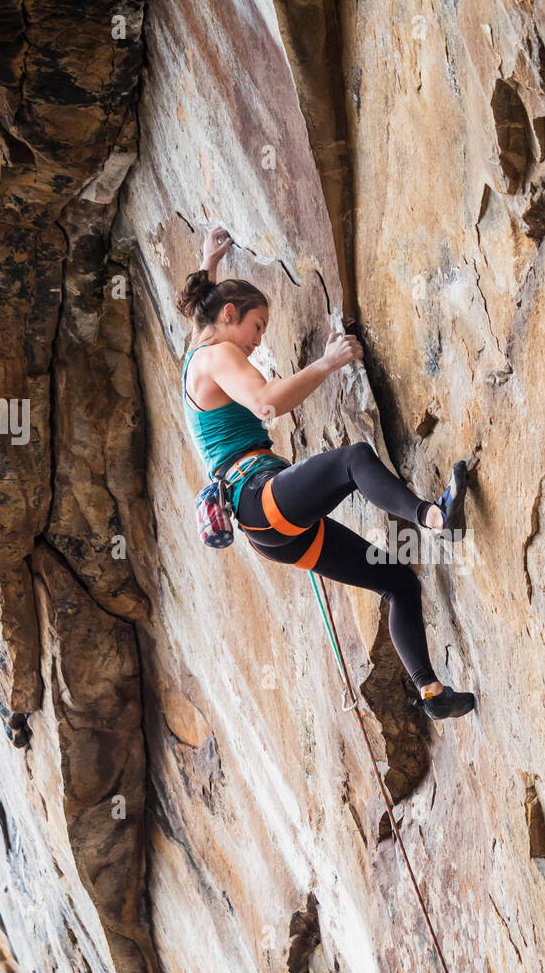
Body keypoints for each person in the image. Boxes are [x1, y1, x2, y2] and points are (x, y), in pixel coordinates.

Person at [176, 226, 476, 721]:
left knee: (397, 582)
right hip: (259, 496)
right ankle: (434, 516)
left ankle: (431, 693)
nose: (257, 341)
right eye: (257, 326)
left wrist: (209, 261)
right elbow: (268, 403)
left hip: (270, 531)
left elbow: (202, 315)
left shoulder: (198, 353)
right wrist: (328, 363)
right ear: (230, 316)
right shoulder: (217, 354)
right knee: (353, 459)